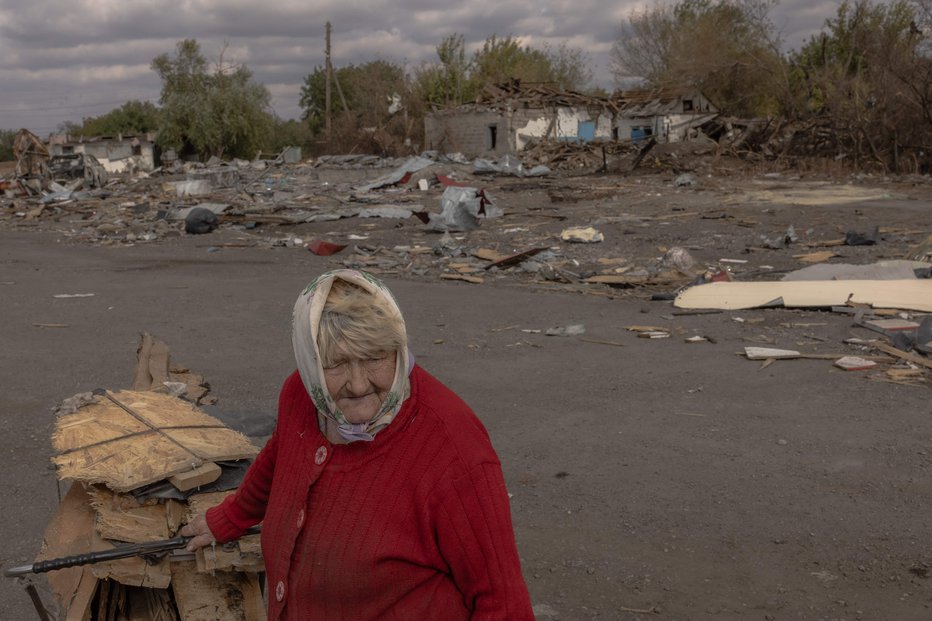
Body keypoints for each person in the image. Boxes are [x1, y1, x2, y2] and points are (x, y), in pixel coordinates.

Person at [181, 269, 534, 620]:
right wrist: (231, 516)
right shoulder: (303, 396)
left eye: (375, 358)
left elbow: (503, 605)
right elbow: (284, 454)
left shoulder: (453, 447)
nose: (359, 385)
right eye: (336, 364)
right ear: (309, 362)